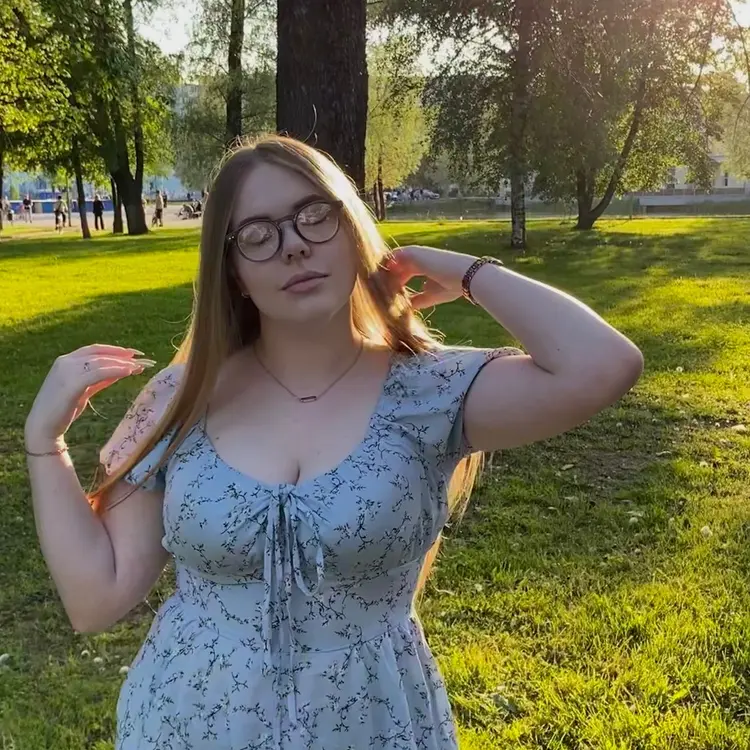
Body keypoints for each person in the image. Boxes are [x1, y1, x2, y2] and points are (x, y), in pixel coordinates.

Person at [24, 135, 643, 750]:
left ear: (352, 230)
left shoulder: (428, 392)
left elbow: (602, 366)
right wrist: (45, 443)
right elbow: (96, 599)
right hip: (188, 719)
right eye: (258, 235)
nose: (294, 245)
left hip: (372, 721)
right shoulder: (177, 399)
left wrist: (467, 272)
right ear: (233, 271)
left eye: (314, 215)